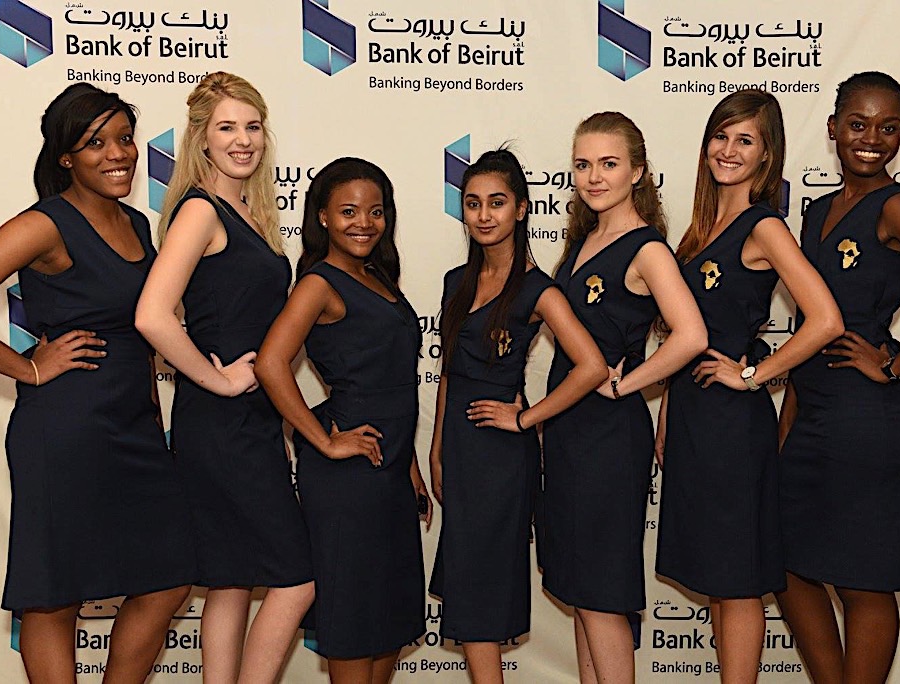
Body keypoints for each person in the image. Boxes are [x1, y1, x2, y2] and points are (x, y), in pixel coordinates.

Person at [0, 83, 195, 681]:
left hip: (135, 428)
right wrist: (28, 366)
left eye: (125, 138)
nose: (119, 154)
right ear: (65, 157)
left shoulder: (138, 224)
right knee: (55, 594)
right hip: (66, 429)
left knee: (169, 578)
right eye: (96, 143)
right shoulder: (47, 224)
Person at [775, 72, 900, 683]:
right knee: (786, 564)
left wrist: (893, 364)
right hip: (811, 410)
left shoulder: (898, 206)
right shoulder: (814, 212)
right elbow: (807, 326)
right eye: (858, 124)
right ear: (833, 129)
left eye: (888, 128)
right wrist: (787, 423)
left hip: (867, 418)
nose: (871, 139)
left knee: (863, 580)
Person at [654, 89, 843, 683]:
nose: (728, 150)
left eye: (745, 140)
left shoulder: (764, 225)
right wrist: (667, 415)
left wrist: (753, 374)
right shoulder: (700, 229)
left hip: (732, 429)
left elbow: (826, 320)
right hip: (693, 417)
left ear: (767, 155)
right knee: (717, 577)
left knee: (735, 582)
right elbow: (684, 338)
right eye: (721, 136)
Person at [135, 72, 314, 684]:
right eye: (227, 128)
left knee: (232, 579)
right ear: (201, 139)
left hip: (249, 422)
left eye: (252, 127)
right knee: (296, 580)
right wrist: (218, 382)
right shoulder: (199, 210)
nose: (243, 140)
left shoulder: (248, 212)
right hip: (222, 424)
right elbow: (152, 315)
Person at [427, 148, 607, 684]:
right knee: (469, 584)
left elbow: (592, 366)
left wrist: (526, 419)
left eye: (497, 202)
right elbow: (449, 372)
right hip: (460, 449)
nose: (484, 215)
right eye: (473, 203)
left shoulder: (537, 288)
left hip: (500, 456)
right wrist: (437, 448)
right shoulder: (456, 281)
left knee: (479, 588)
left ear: (522, 209)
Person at [541, 112, 707, 684]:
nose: (594, 177)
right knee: (582, 591)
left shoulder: (648, 249)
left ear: (637, 171)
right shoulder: (584, 240)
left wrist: (624, 384)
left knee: (602, 593)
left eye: (608, 164)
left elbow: (691, 336)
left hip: (609, 439)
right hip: (569, 430)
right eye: (583, 165)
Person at [255, 157, 429, 684]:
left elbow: (393, 384)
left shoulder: (377, 276)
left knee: (389, 621)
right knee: (356, 622)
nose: (364, 223)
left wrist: (409, 466)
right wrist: (323, 442)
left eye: (375, 211)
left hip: (389, 468)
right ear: (323, 217)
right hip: (349, 481)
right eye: (349, 211)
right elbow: (270, 363)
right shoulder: (319, 283)